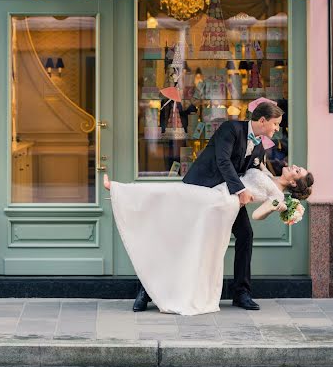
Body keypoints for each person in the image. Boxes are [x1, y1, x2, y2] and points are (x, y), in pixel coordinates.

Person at [105, 100, 313, 314]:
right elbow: (223, 161)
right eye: (276, 124)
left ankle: (241, 293)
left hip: (225, 198)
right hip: (201, 189)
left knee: (245, 235)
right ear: (262, 120)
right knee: (179, 239)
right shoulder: (230, 129)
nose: (278, 128)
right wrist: (242, 191)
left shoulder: (259, 146)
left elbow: (256, 174)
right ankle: (146, 291)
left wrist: (282, 200)